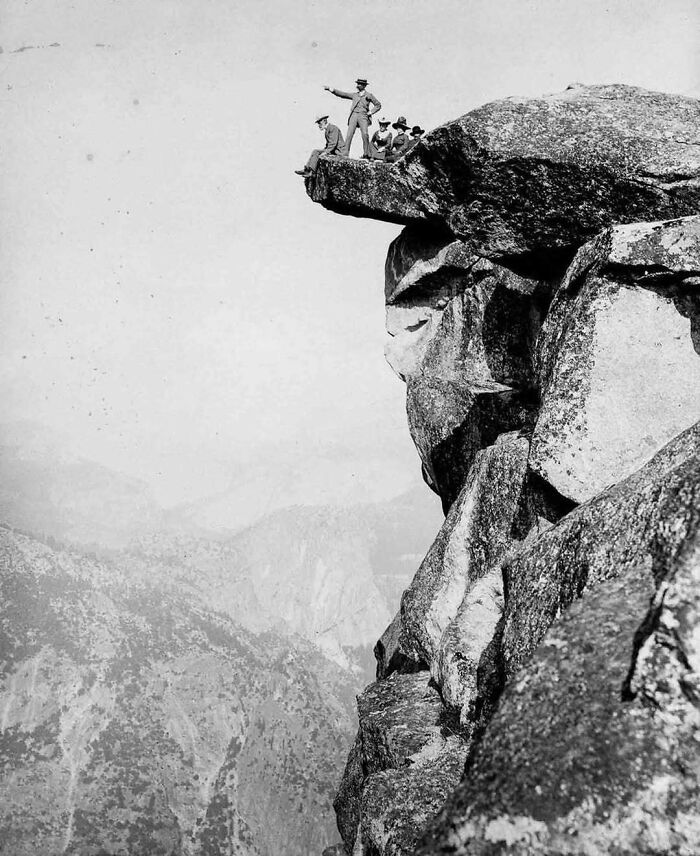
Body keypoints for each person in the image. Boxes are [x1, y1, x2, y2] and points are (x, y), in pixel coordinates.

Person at [324, 78, 381, 159]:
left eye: (360, 84)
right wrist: (331, 89)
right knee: (349, 134)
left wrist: (370, 112)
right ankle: (345, 154)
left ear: (364, 86)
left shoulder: (369, 95)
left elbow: (378, 105)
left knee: (365, 134)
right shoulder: (355, 95)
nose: (358, 85)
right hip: (353, 115)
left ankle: (366, 154)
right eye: (357, 84)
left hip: (363, 116)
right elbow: (343, 94)